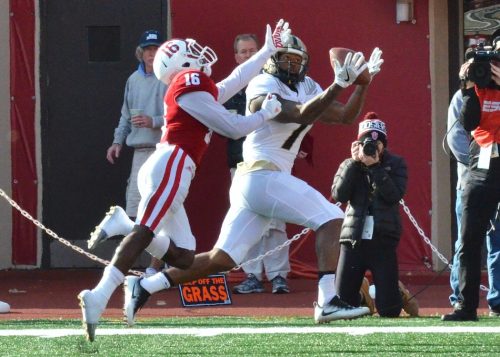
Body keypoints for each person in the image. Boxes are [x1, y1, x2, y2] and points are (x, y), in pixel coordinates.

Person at [122, 35, 385, 325]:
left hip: (260, 182)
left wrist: (363, 83)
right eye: (286, 58)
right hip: (262, 175)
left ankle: (146, 286)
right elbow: (298, 114)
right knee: (332, 218)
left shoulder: (308, 86)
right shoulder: (263, 85)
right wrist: (339, 84)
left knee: (221, 259)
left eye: (297, 60)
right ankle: (327, 300)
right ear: (273, 61)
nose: (292, 64)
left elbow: (345, 116)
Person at [78, 19, 291, 342]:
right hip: (174, 163)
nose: (198, 54)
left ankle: (123, 224)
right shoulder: (190, 82)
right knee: (145, 230)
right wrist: (266, 114)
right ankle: (100, 293)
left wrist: (266, 52)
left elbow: (233, 81)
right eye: (190, 52)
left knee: (185, 257)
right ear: (182, 63)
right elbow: (232, 128)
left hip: (171, 164)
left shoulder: (192, 86)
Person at [87, 30, 167, 274]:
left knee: (161, 207)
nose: (151, 54)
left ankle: (157, 264)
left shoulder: (168, 79)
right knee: (134, 209)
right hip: (139, 152)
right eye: (148, 50)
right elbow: (125, 115)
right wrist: (117, 142)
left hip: (163, 150)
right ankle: (142, 259)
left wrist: (153, 121)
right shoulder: (132, 80)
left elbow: (177, 116)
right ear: (140, 53)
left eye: (156, 49)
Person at [225, 33, 290, 295]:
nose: (249, 55)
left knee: (276, 222)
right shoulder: (230, 89)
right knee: (247, 222)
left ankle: (278, 276)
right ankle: (252, 275)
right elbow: (229, 129)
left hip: (273, 163)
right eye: (244, 52)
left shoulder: (276, 83)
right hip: (240, 164)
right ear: (236, 56)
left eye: (254, 50)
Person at [442, 35, 500, 321]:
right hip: (483, 162)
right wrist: (468, 87)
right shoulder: (475, 88)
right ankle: (465, 305)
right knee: (468, 237)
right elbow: (466, 125)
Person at [331, 112, 408, 317]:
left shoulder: (396, 164)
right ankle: (364, 296)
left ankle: (397, 292)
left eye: (377, 143)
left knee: (390, 310)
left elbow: (393, 195)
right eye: (366, 143)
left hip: (382, 238)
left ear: (384, 144)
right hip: (354, 238)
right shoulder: (350, 164)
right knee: (343, 304)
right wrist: (353, 164)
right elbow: (339, 194)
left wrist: (375, 168)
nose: (372, 148)